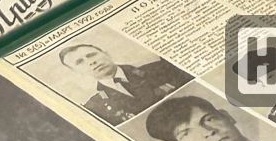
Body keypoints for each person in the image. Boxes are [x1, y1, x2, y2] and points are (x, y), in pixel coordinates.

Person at [58, 43, 189, 125]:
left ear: (107, 54)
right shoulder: (94, 108)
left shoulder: (160, 68)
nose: (91, 62)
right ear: (77, 72)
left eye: (91, 55)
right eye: (79, 62)